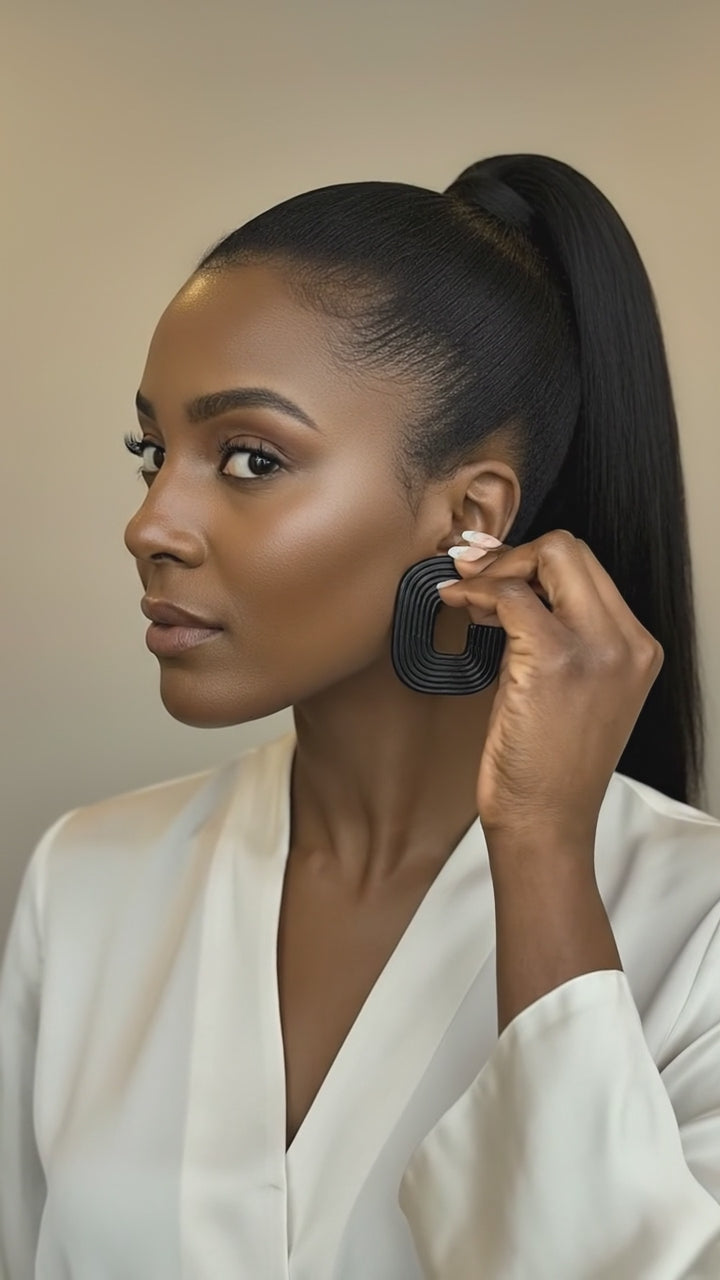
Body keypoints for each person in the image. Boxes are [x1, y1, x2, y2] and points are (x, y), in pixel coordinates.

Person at [1, 153, 719, 1279]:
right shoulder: (86, 881)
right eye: (153, 452)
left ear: (469, 516)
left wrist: (540, 848)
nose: (151, 522)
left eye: (248, 456)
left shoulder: (698, 923)